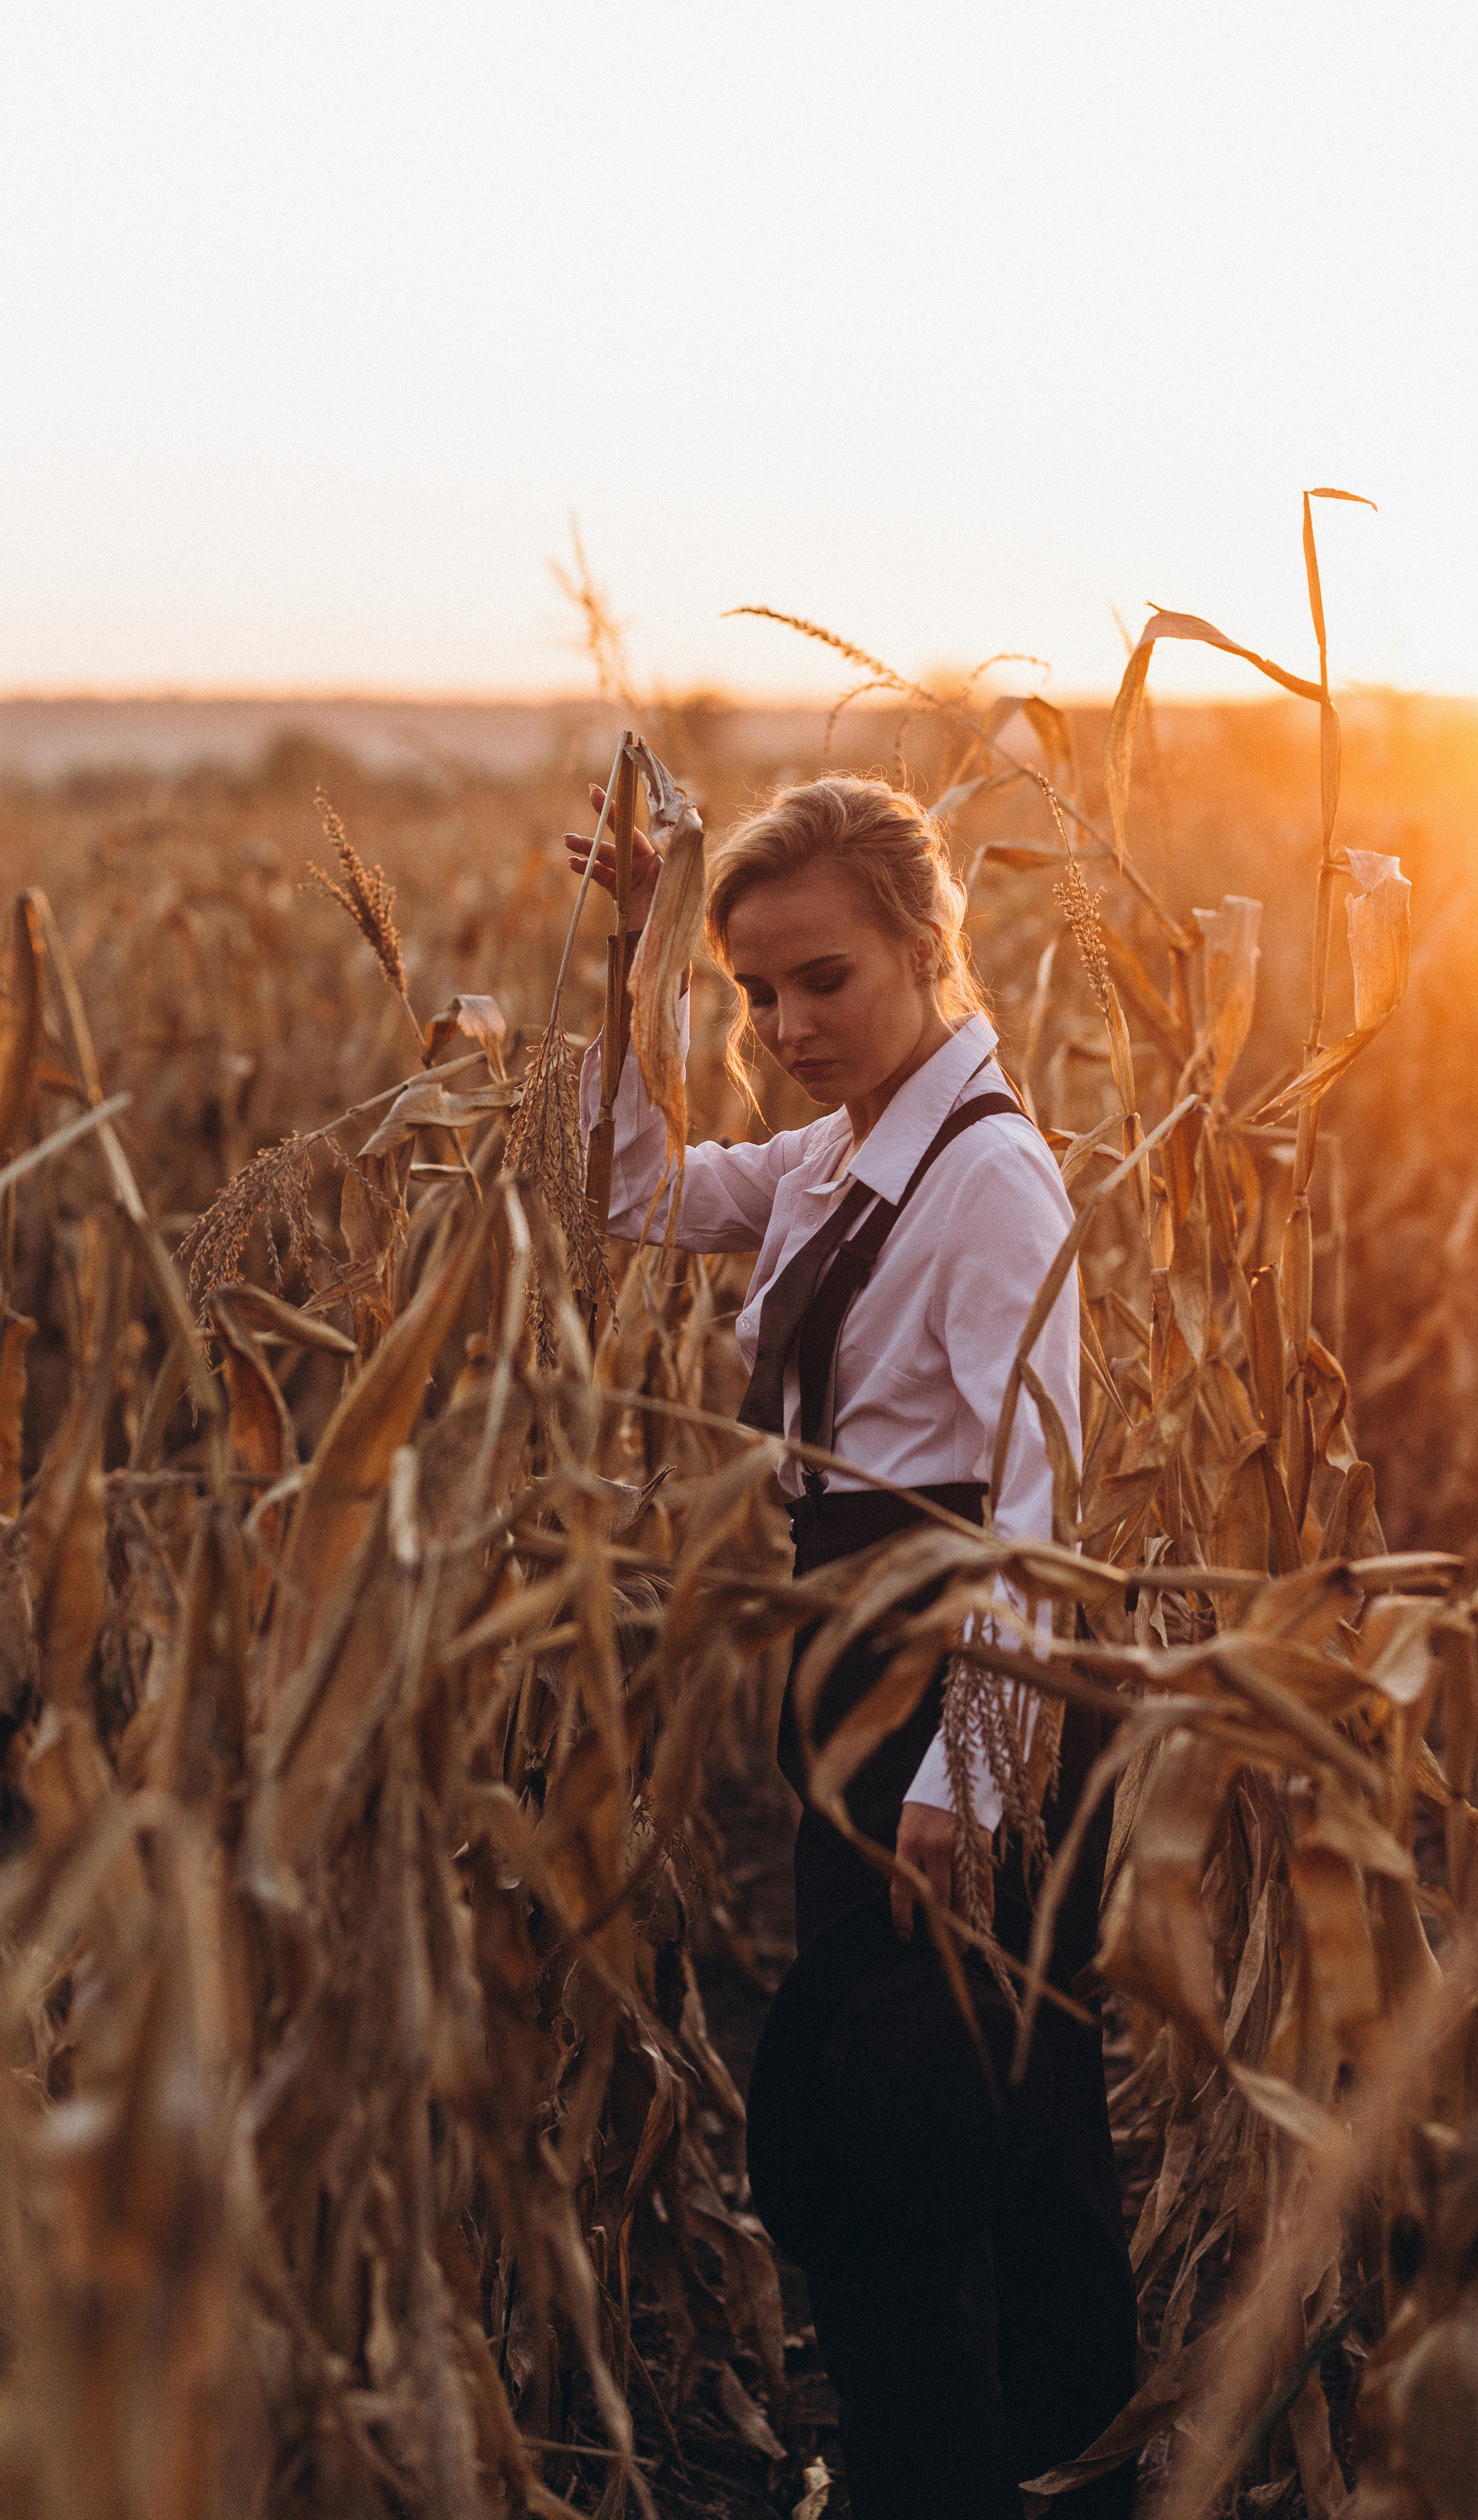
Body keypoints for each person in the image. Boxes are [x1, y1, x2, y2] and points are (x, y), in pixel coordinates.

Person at [569, 773, 1136, 2519]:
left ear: (925, 946)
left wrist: (969, 1768)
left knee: (972, 2102)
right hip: (857, 1646)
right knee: (912, 2082)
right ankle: (958, 2462)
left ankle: (1020, 2472)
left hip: (962, 1666)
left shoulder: (990, 1185)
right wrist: (630, 947)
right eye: (755, 990)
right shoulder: (836, 1156)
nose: (784, 1022)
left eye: (824, 978)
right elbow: (628, 1190)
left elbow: (1031, 1509)